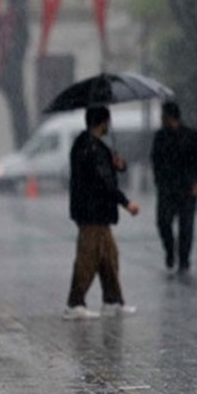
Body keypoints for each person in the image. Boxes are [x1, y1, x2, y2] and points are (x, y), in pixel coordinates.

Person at [64, 106, 139, 320]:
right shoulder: (90, 147)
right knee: (87, 259)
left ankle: (112, 300)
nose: (109, 125)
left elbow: (109, 170)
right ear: (102, 122)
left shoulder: (92, 146)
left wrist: (119, 165)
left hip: (97, 213)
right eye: (108, 121)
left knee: (109, 257)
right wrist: (126, 203)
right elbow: (104, 182)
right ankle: (74, 303)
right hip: (91, 213)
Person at [150, 101, 197, 274]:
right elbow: (155, 161)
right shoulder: (160, 137)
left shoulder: (191, 136)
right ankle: (170, 250)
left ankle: (184, 260)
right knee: (163, 222)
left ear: (170, 116)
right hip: (167, 188)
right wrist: (158, 181)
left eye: (163, 115)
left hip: (187, 188)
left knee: (186, 226)